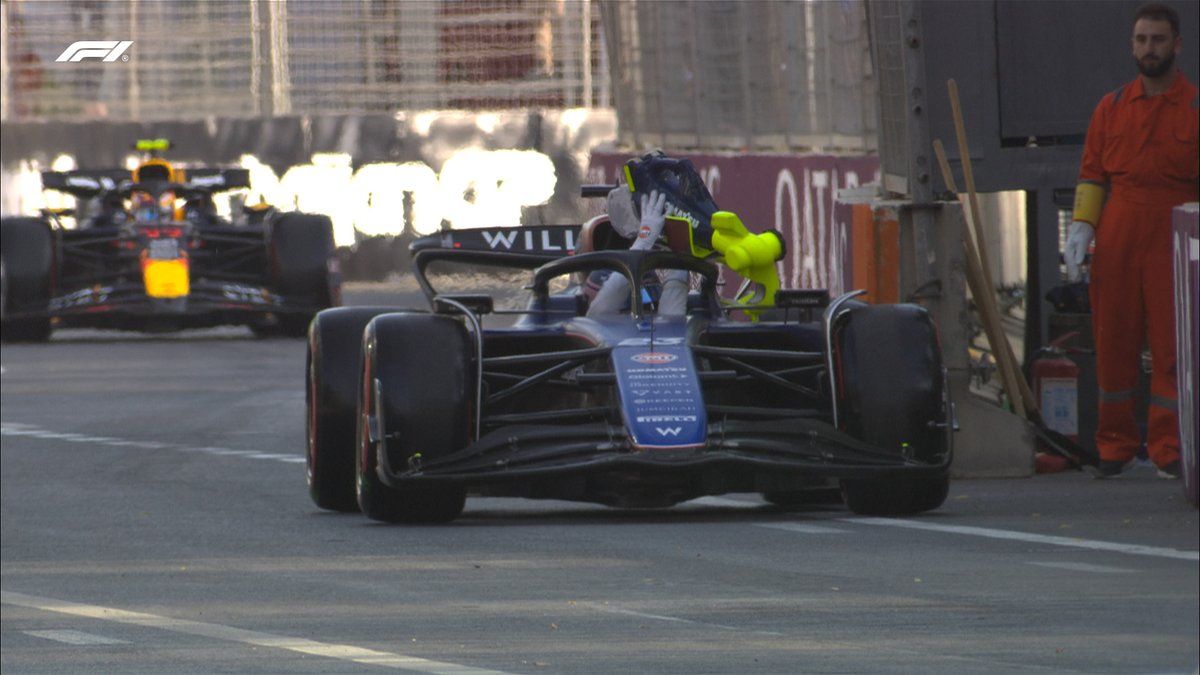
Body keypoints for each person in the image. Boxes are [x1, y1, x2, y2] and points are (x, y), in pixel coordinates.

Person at [1065, 2, 1198, 478]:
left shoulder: (1195, 107)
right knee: (1113, 336)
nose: (1149, 48)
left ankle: (1169, 447)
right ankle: (1113, 445)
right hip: (1119, 227)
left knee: (1172, 344)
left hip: (1175, 228)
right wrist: (1082, 226)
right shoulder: (1112, 106)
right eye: (1141, 40)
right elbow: (1092, 174)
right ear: (1132, 45)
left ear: (1177, 45)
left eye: (1158, 39)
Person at [585, 188, 689, 317]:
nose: (646, 313)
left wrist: (681, 255)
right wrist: (643, 241)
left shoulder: (663, 331)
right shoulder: (594, 325)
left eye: (648, 305)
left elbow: (670, 321)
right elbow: (599, 313)